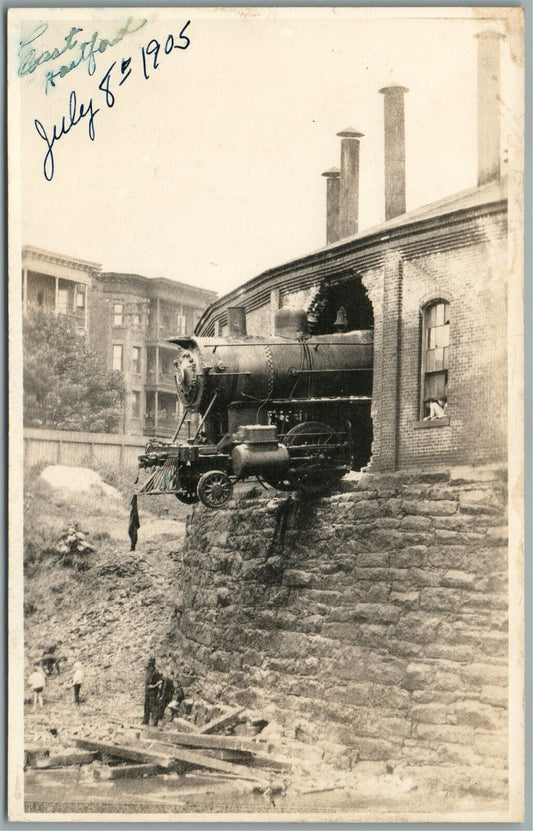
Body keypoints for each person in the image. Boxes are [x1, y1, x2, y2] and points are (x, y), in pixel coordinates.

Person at [143, 657, 163, 725]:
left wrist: (153, 686)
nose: (149, 667)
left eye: (150, 665)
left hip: (153, 691)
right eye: (149, 665)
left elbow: (160, 681)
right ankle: (146, 720)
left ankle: (155, 721)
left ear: (153, 665)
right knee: (146, 706)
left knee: (153, 706)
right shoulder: (148, 671)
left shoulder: (156, 672)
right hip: (147, 691)